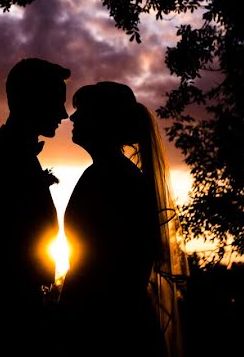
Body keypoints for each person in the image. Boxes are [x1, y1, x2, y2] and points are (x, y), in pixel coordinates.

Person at [60, 82, 188, 357]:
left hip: (107, 327)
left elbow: (114, 264)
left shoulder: (113, 178)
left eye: (82, 111)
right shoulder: (107, 173)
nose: (73, 117)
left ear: (102, 121)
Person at [0, 57, 70, 356]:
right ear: (30, 100)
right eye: (56, 102)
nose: (63, 114)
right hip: (2, 316)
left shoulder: (15, 154)